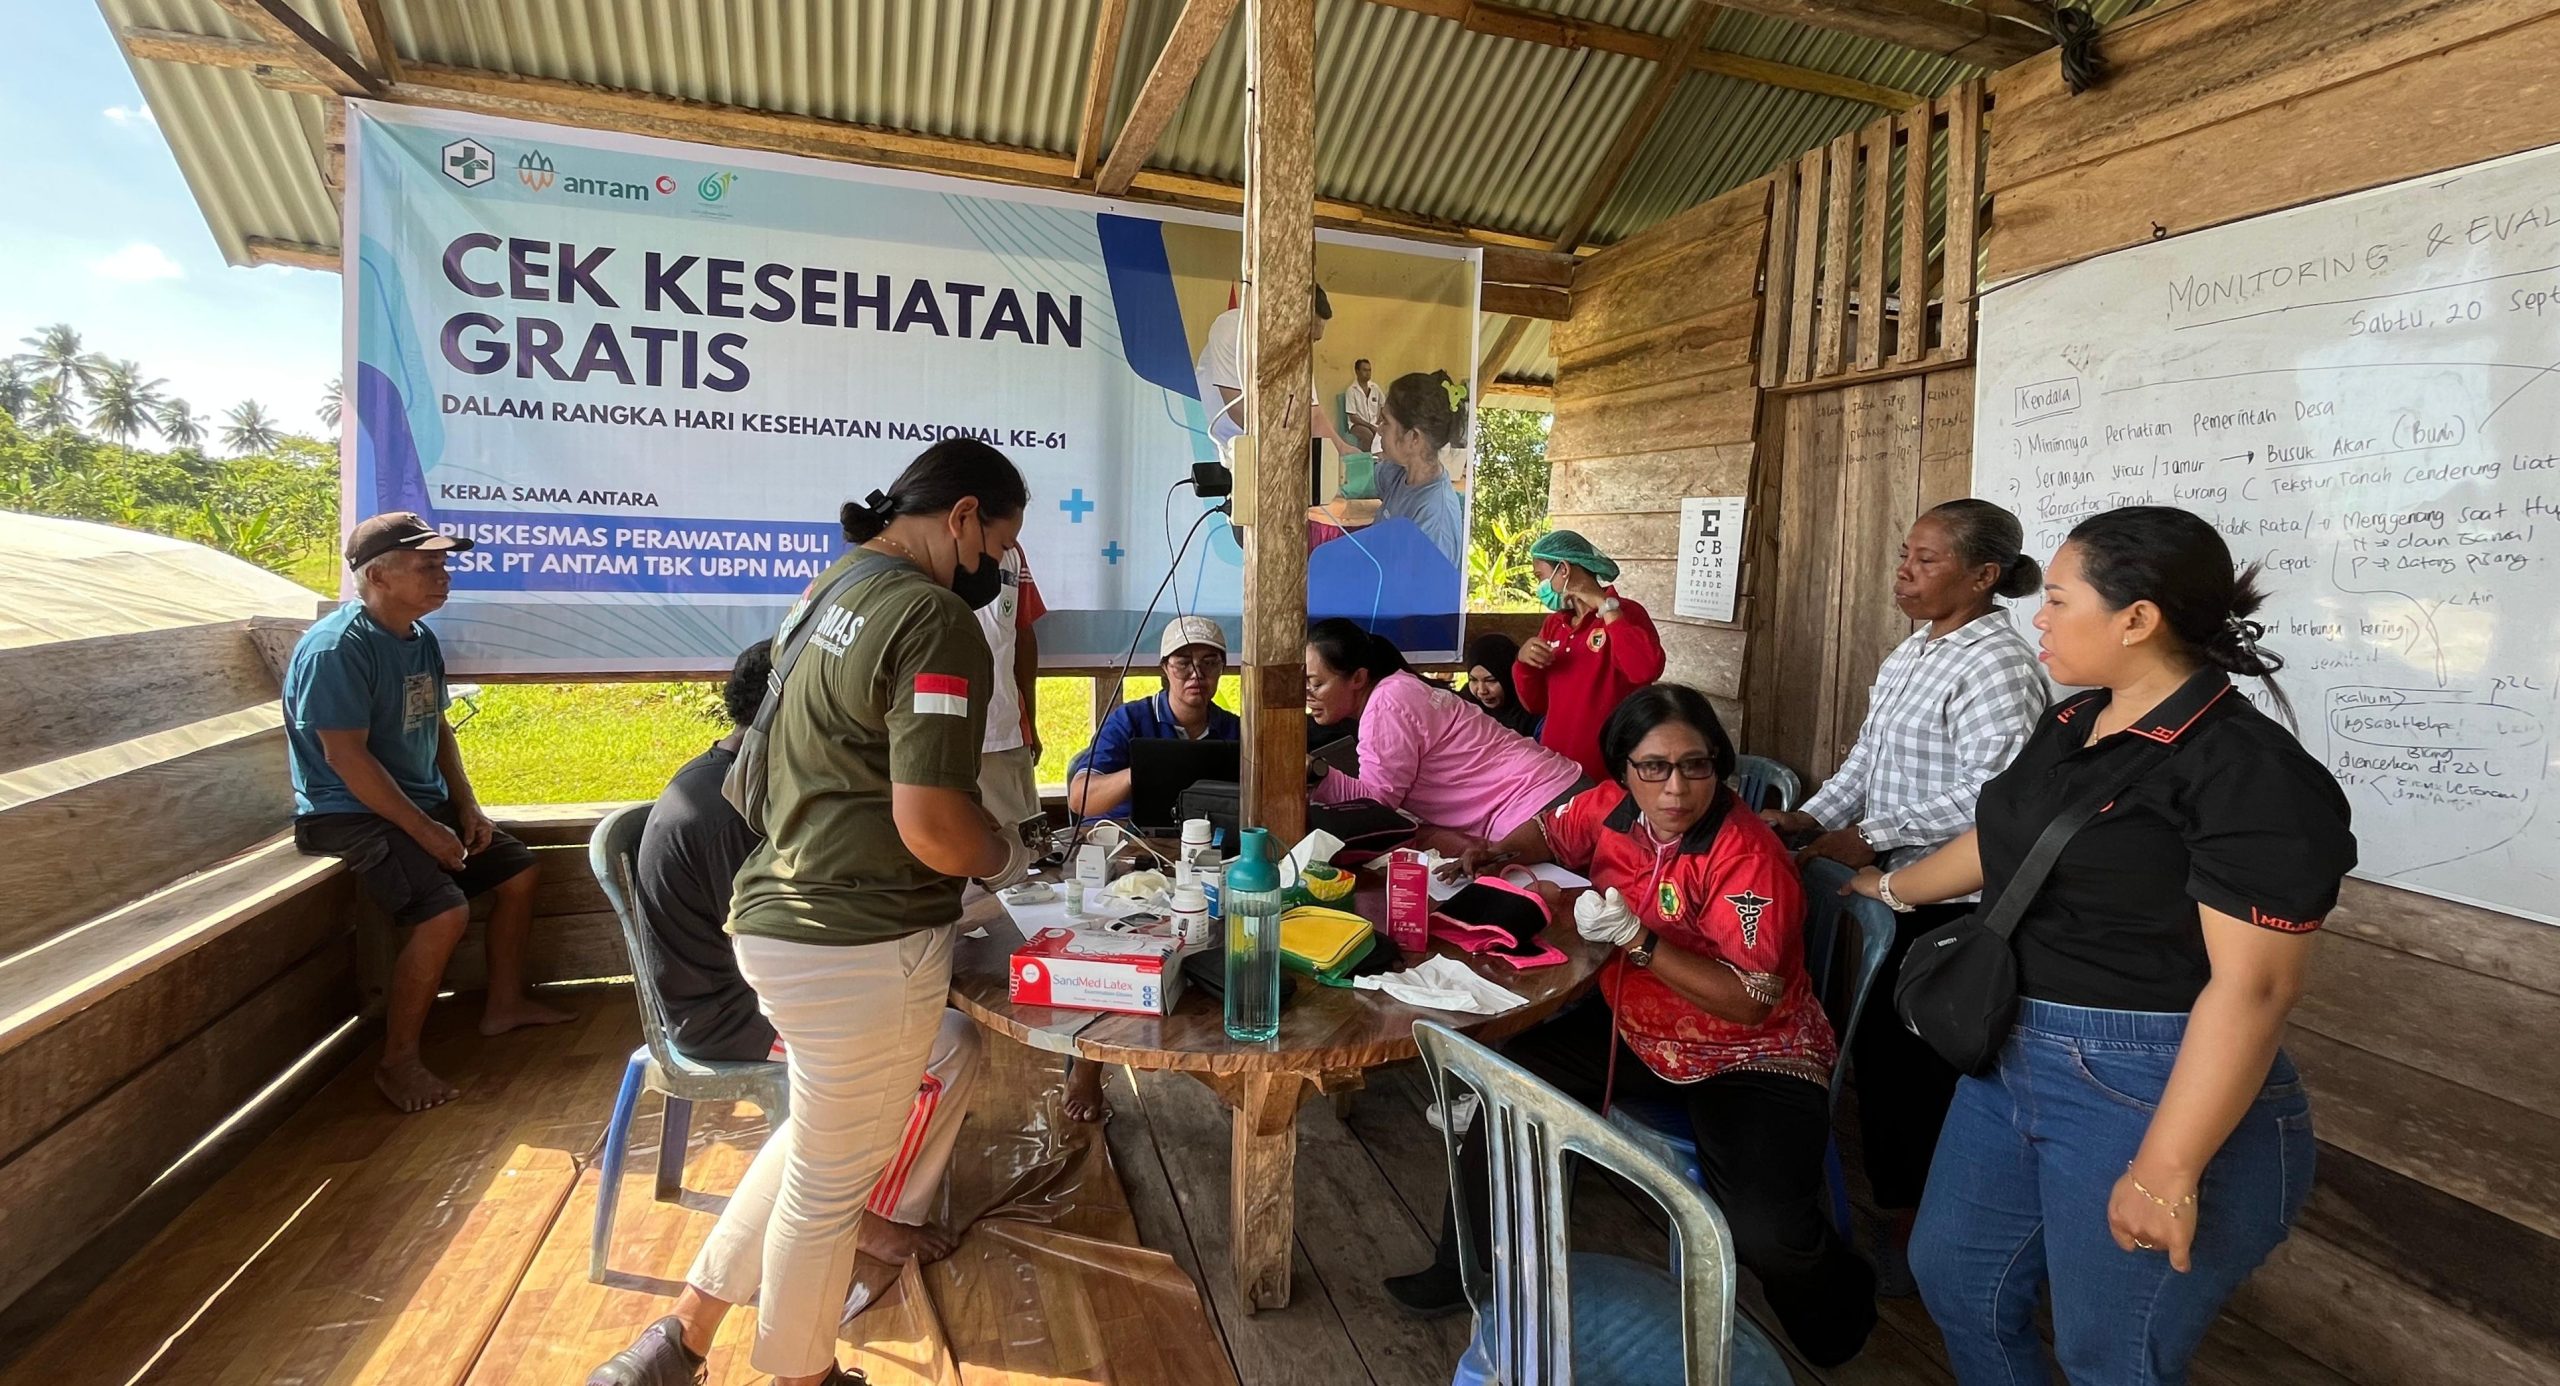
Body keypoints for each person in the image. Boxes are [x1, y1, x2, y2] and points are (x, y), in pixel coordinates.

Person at [1848, 506, 2353, 1385]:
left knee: (2109, 1357)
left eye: (2057, 599)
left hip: (2145, 1077)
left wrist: (2166, 1168)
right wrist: (1886, 888)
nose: (2037, 617)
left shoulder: (2247, 771)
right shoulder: (2075, 720)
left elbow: (2257, 990)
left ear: (2137, 618)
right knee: (1956, 1277)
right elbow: (2002, 839)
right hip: (2009, 1050)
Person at [590, 439, 1037, 1386]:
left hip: (781, 916)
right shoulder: (932, 618)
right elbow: (934, 827)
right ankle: (802, 1374)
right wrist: (1011, 856)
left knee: (817, 1145)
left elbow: (767, 771)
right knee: (831, 1191)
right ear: (963, 516)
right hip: (861, 941)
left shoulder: (829, 591)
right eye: (1002, 546)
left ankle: (679, 1341)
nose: (998, 570)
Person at [1384, 685, 1876, 1367]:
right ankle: (1463, 1265)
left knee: (1766, 1232)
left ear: (1717, 764)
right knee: (1506, 1088)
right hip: (1640, 1032)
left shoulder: (1748, 858)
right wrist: (1499, 851)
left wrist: (1639, 942)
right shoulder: (1615, 809)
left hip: (1752, 1056)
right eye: (1654, 767)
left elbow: (1751, 1001)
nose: (1675, 787)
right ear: (1625, 770)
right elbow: (1553, 829)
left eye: (1695, 766)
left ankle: (1844, 1319)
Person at [603, 642, 985, 1386]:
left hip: (747, 992)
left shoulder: (736, 777)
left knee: (834, 1120)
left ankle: (679, 1340)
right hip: (729, 1014)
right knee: (939, 1047)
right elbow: (808, 945)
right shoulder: (737, 808)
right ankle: (870, 1221)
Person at [1762, 498, 2047, 1292]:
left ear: (1983, 575)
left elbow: (1996, 795)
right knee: (1887, 1062)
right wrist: (1811, 817)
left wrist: (1877, 833)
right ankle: (1904, 1206)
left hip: (1954, 906)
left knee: (1917, 1071)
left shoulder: (1997, 665)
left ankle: (1922, 1232)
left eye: (1926, 559)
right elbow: (1867, 759)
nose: (1904, 571)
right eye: (1904, 554)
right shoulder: (1915, 650)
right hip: (1893, 890)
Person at [283, 512, 569, 1114]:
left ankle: (504, 1004)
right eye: (427, 565)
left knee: (519, 873)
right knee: (443, 913)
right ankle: (398, 1063)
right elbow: (345, 758)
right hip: (347, 812)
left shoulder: (419, 637)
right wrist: (425, 830)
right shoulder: (338, 649)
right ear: (378, 576)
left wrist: (466, 806)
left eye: (443, 564)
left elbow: (437, 727)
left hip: (419, 804)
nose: (443, 576)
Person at [1303, 618, 1583, 848]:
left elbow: (1376, 805)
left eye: (1316, 684)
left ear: (1358, 677)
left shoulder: (1386, 704)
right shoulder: (1399, 689)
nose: (1308, 695)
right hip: (1558, 792)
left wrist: (1314, 773)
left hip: (1542, 806)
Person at [1515, 529, 1666, 782]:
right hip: (1557, 771)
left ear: (1563, 569)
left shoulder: (1627, 613)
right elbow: (1536, 704)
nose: (1540, 587)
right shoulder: (1555, 624)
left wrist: (1606, 608)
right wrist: (1524, 664)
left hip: (1609, 772)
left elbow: (1645, 670)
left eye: (1540, 577)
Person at [1065, 615, 1240, 822]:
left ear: (1222, 668)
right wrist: (1141, 772)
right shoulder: (1128, 720)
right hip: (1123, 831)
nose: (1196, 674)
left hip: (1204, 833)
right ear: (1165, 668)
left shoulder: (1235, 729)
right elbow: (1080, 798)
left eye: (1209, 663)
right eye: (1183, 663)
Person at [1193, 283, 1358, 455]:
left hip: (1271, 446)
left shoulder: (1298, 353)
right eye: (1306, 338)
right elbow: (1237, 410)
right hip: (1218, 446)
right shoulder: (1232, 330)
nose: (1307, 348)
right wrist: (1284, 450)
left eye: (1314, 341)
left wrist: (1342, 449)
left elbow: (1313, 415)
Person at [975, 542, 1047, 844]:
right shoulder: (930, 547)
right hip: (959, 735)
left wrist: (1029, 722)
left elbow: (1022, 632)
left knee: (1030, 847)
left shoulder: (1011, 550)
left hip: (1008, 730)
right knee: (991, 852)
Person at [1370, 370, 1471, 568]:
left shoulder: (1436, 520)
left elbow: (1422, 586)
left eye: (1386, 422)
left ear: (1414, 437)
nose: (1379, 429)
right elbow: (1364, 479)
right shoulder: (1399, 473)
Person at [1458, 631, 1540, 739]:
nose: (1482, 690)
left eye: (1491, 680)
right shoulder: (1465, 705)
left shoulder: (1532, 713)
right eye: (1473, 680)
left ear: (1509, 677)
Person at [1344, 357, 1384, 452]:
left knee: (1387, 433)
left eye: (1369, 370)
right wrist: (1370, 426)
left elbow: (1384, 405)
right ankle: (1367, 458)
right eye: (1365, 370)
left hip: (1374, 423)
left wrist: (1379, 421)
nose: (1368, 373)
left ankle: (1381, 459)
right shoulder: (1351, 390)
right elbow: (1353, 417)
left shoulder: (1375, 388)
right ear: (1357, 371)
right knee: (1368, 436)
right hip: (1357, 425)